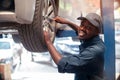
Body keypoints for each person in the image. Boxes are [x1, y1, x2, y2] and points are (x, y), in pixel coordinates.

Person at [43, 13, 105, 80]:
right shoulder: (91, 39)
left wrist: (48, 41)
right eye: (82, 24)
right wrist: (67, 22)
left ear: (97, 32)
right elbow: (80, 30)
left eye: (88, 27)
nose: (82, 28)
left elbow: (62, 63)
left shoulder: (93, 52)